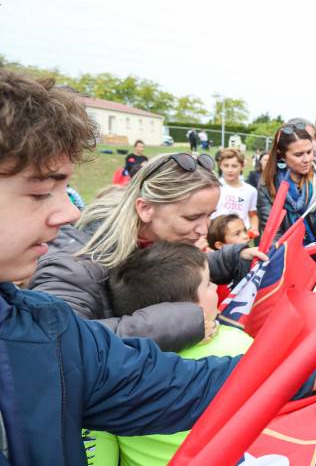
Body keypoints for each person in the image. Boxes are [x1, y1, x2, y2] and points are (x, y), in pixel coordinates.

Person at [0, 69, 316, 464]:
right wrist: (184, 319)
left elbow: (164, 381)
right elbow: (73, 350)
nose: (67, 212)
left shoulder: (29, 319)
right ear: (145, 209)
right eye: (40, 193)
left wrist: (228, 262)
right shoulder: (69, 267)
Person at [89, 242, 316, 466]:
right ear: (184, 309)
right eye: (208, 284)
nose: (217, 288)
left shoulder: (113, 373)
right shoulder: (236, 344)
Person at [30, 150, 267, 352]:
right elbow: (59, 339)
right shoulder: (75, 264)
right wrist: (178, 324)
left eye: (209, 216)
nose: (204, 229)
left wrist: (232, 258)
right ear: (145, 209)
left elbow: (167, 273)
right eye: (192, 217)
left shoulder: (149, 239)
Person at [213, 148, 259, 234]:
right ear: (220, 166)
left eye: (234, 166)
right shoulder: (214, 187)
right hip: (217, 235)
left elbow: (252, 214)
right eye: (226, 166)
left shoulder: (251, 191)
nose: (230, 170)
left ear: (242, 167)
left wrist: (254, 228)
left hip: (240, 237)